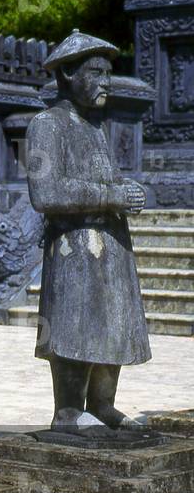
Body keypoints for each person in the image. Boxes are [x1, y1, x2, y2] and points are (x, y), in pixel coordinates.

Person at [26, 30, 151, 434]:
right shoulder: (46, 125)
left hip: (111, 247)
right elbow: (46, 192)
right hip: (74, 248)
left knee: (113, 323)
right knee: (75, 327)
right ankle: (67, 411)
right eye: (95, 72)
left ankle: (102, 405)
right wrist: (112, 195)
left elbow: (105, 183)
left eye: (108, 73)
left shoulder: (94, 130)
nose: (106, 82)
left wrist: (125, 194)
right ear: (65, 73)